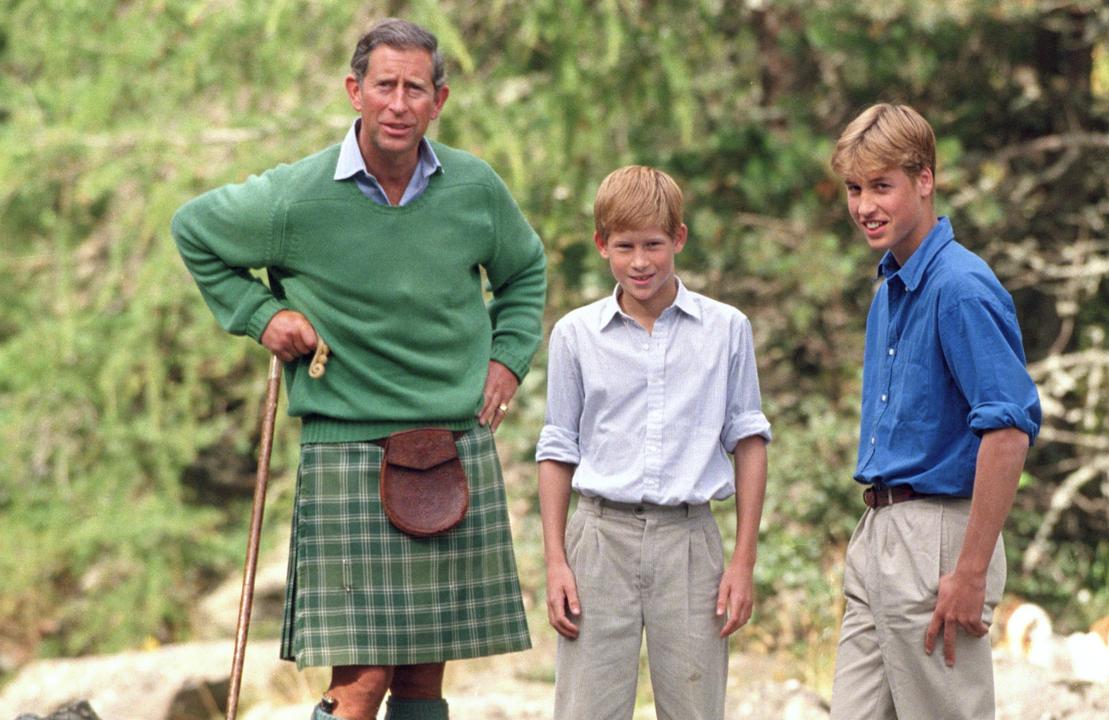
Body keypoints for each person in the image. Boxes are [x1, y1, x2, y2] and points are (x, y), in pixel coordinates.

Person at [172, 18, 545, 720]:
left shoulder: (475, 187)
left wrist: (508, 358)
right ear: (355, 91)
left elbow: (524, 272)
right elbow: (193, 228)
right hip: (347, 448)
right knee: (362, 682)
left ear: (440, 99)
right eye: (384, 86)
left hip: (453, 445)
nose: (399, 104)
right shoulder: (296, 197)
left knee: (422, 680)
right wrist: (262, 317)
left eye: (415, 88)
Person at [827, 103, 1042, 719]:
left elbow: (1008, 430)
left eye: (882, 186)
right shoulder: (890, 290)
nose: (865, 205)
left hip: (940, 537)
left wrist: (970, 570)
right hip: (878, 533)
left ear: (925, 180)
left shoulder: (960, 286)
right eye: (854, 188)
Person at [535, 166, 771, 720]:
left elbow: (749, 441)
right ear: (602, 246)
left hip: (689, 542)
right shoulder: (575, 335)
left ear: (679, 240)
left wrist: (743, 560)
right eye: (625, 246)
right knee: (585, 709)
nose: (640, 261)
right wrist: (555, 563)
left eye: (653, 245)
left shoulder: (726, 329)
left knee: (695, 706)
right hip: (597, 538)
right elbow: (557, 449)